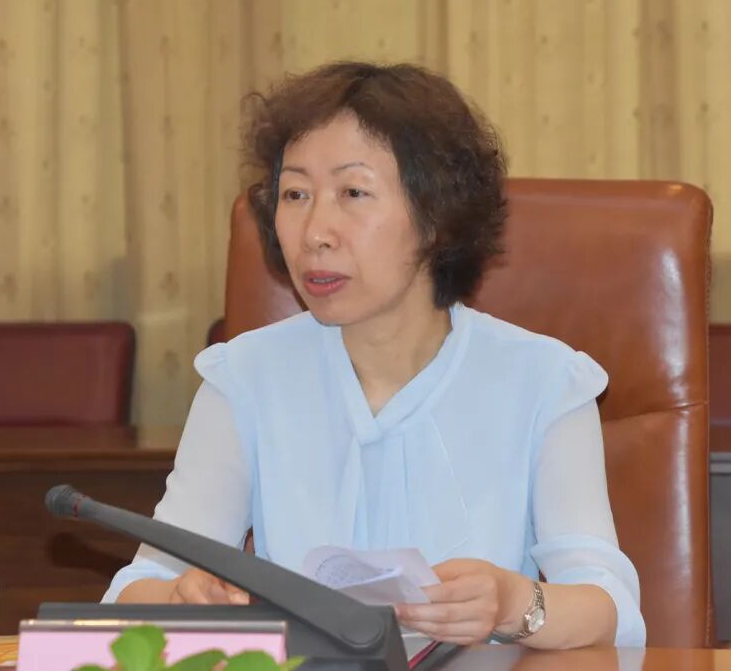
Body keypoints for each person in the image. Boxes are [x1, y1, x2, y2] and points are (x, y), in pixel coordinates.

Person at [103, 62, 646, 649]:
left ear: (436, 217)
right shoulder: (244, 378)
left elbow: (612, 608)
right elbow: (135, 588)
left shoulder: (545, 381)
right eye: (295, 194)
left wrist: (514, 603)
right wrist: (180, 598)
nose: (315, 232)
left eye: (353, 193)